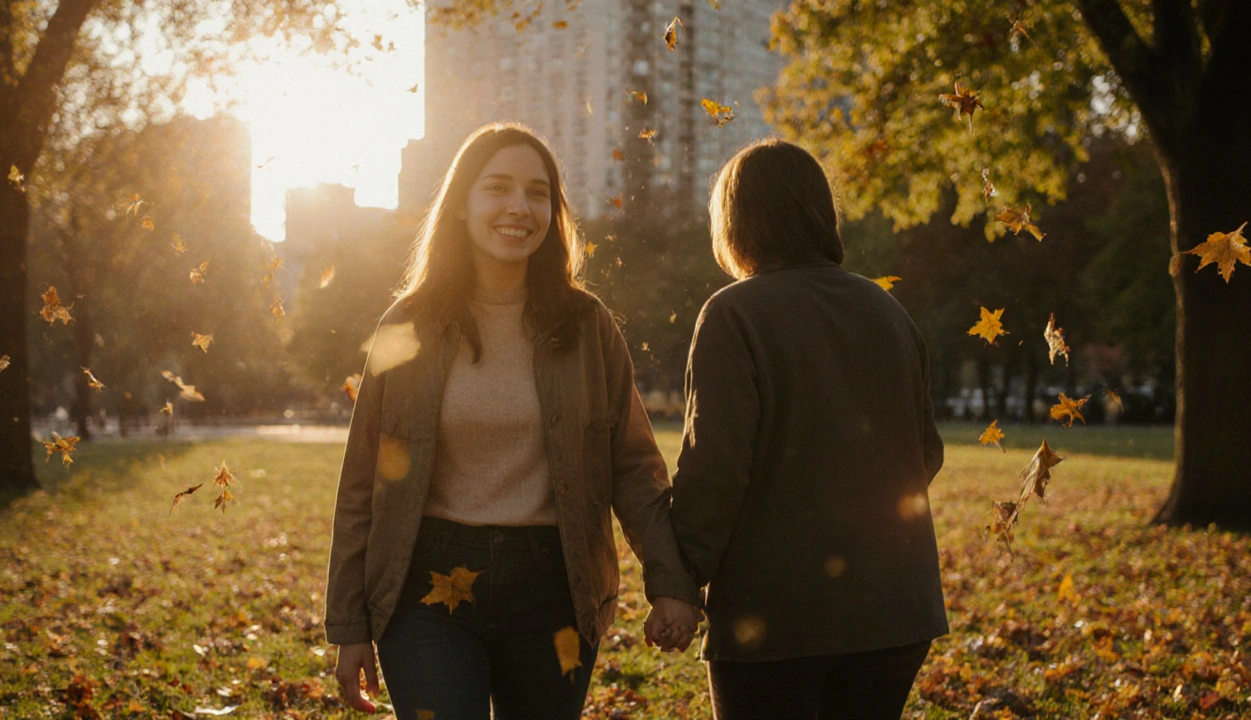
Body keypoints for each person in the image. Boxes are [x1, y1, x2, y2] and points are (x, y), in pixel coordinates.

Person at [325, 122, 701, 719]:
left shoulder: (587, 325)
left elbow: (633, 467)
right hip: (426, 591)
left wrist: (672, 583)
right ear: (461, 205)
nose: (518, 208)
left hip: (555, 590)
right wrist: (349, 624)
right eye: (497, 187)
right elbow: (361, 485)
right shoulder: (408, 324)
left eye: (537, 193)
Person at [670, 139, 948, 720]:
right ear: (821, 213)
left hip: (775, 617)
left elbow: (714, 469)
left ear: (733, 221)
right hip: (897, 609)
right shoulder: (887, 310)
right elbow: (925, 452)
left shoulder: (733, 313)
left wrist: (680, 577)